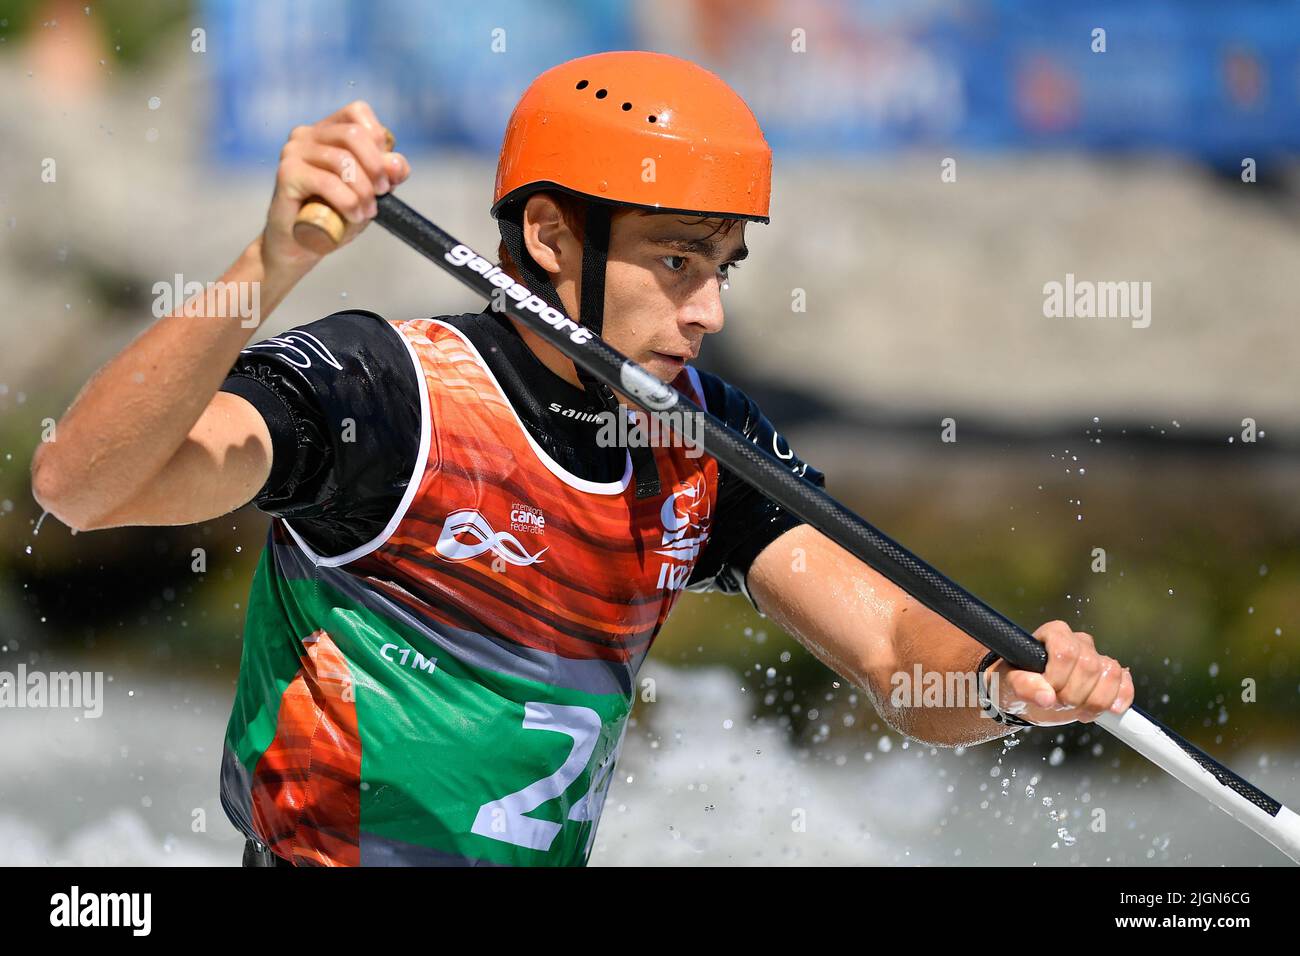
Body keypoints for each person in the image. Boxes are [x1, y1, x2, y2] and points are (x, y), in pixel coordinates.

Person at [31, 51, 1134, 867]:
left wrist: (1008, 685)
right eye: (674, 260)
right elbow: (82, 486)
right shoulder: (380, 393)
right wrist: (265, 267)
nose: (707, 310)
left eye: (724, 267)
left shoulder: (697, 440)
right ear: (554, 238)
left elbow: (898, 655)